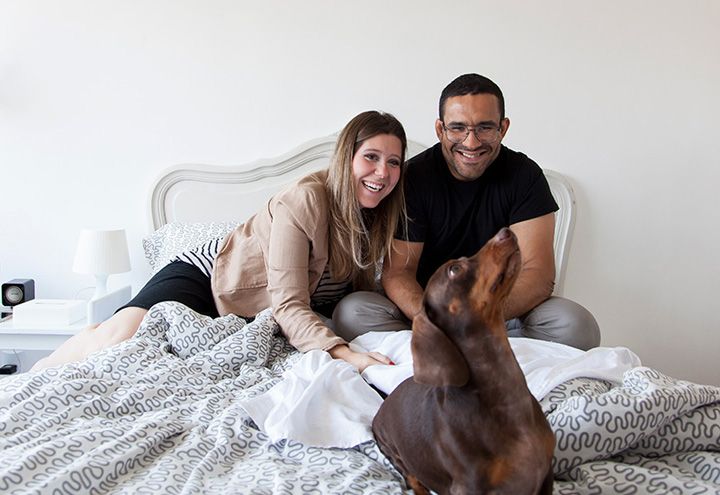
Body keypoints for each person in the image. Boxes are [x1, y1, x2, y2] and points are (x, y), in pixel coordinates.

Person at [32, 110, 407, 372]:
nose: (382, 172)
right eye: (371, 157)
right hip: (209, 277)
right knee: (114, 340)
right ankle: (39, 371)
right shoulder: (305, 200)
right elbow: (289, 303)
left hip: (251, 311)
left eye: (393, 162)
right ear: (345, 158)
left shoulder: (380, 214)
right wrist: (346, 355)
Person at [332, 74, 601, 350]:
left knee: (576, 325)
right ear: (440, 129)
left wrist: (480, 316)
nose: (471, 143)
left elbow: (538, 273)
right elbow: (399, 272)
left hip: (502, 314)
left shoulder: (525, 177)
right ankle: (458, 351)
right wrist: (434, 319)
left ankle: (462, 350)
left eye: (485, 127)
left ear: (503, 128)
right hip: (427, 314)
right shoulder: (414, 178)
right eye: (458, 128)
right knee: (352, 312)